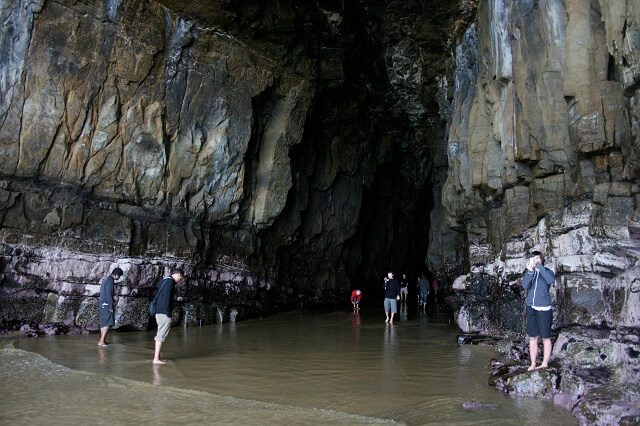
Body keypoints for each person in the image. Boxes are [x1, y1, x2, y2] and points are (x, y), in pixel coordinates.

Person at [521, 251, 556, 371]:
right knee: (533, 337)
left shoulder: (548, 272)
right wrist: (530, 272)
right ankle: (532, 364)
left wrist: (539, 267)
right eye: (532, 259)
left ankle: (545, 363)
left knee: (545, 337)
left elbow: (550, 280)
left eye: (537, 259)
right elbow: (524, 285)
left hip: (544, 309)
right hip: (531, 307)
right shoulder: (530, 273)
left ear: (542, 260)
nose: (534, 261)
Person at [152, 268, 185, 365]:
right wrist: (168, 313)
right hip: (164, 313)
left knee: (160, 333)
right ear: (178, 275)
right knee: (160, 336)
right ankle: (156, 359)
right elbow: (166, 298)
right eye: (181, 278)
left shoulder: (165, 281)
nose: (180, 280)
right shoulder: (170, 282)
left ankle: (157, 357)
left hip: (159, 312)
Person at [97, 267, 123, 347]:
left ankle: (103, 340)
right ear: (116, 275)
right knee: (107, 322)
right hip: (106, 304)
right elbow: (109, 293)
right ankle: (101, 341)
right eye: (119, 276)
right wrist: (111, 306)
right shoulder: (110, 280)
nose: (119, 278)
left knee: (103, 323)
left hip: (102, 303)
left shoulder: (106, 279)